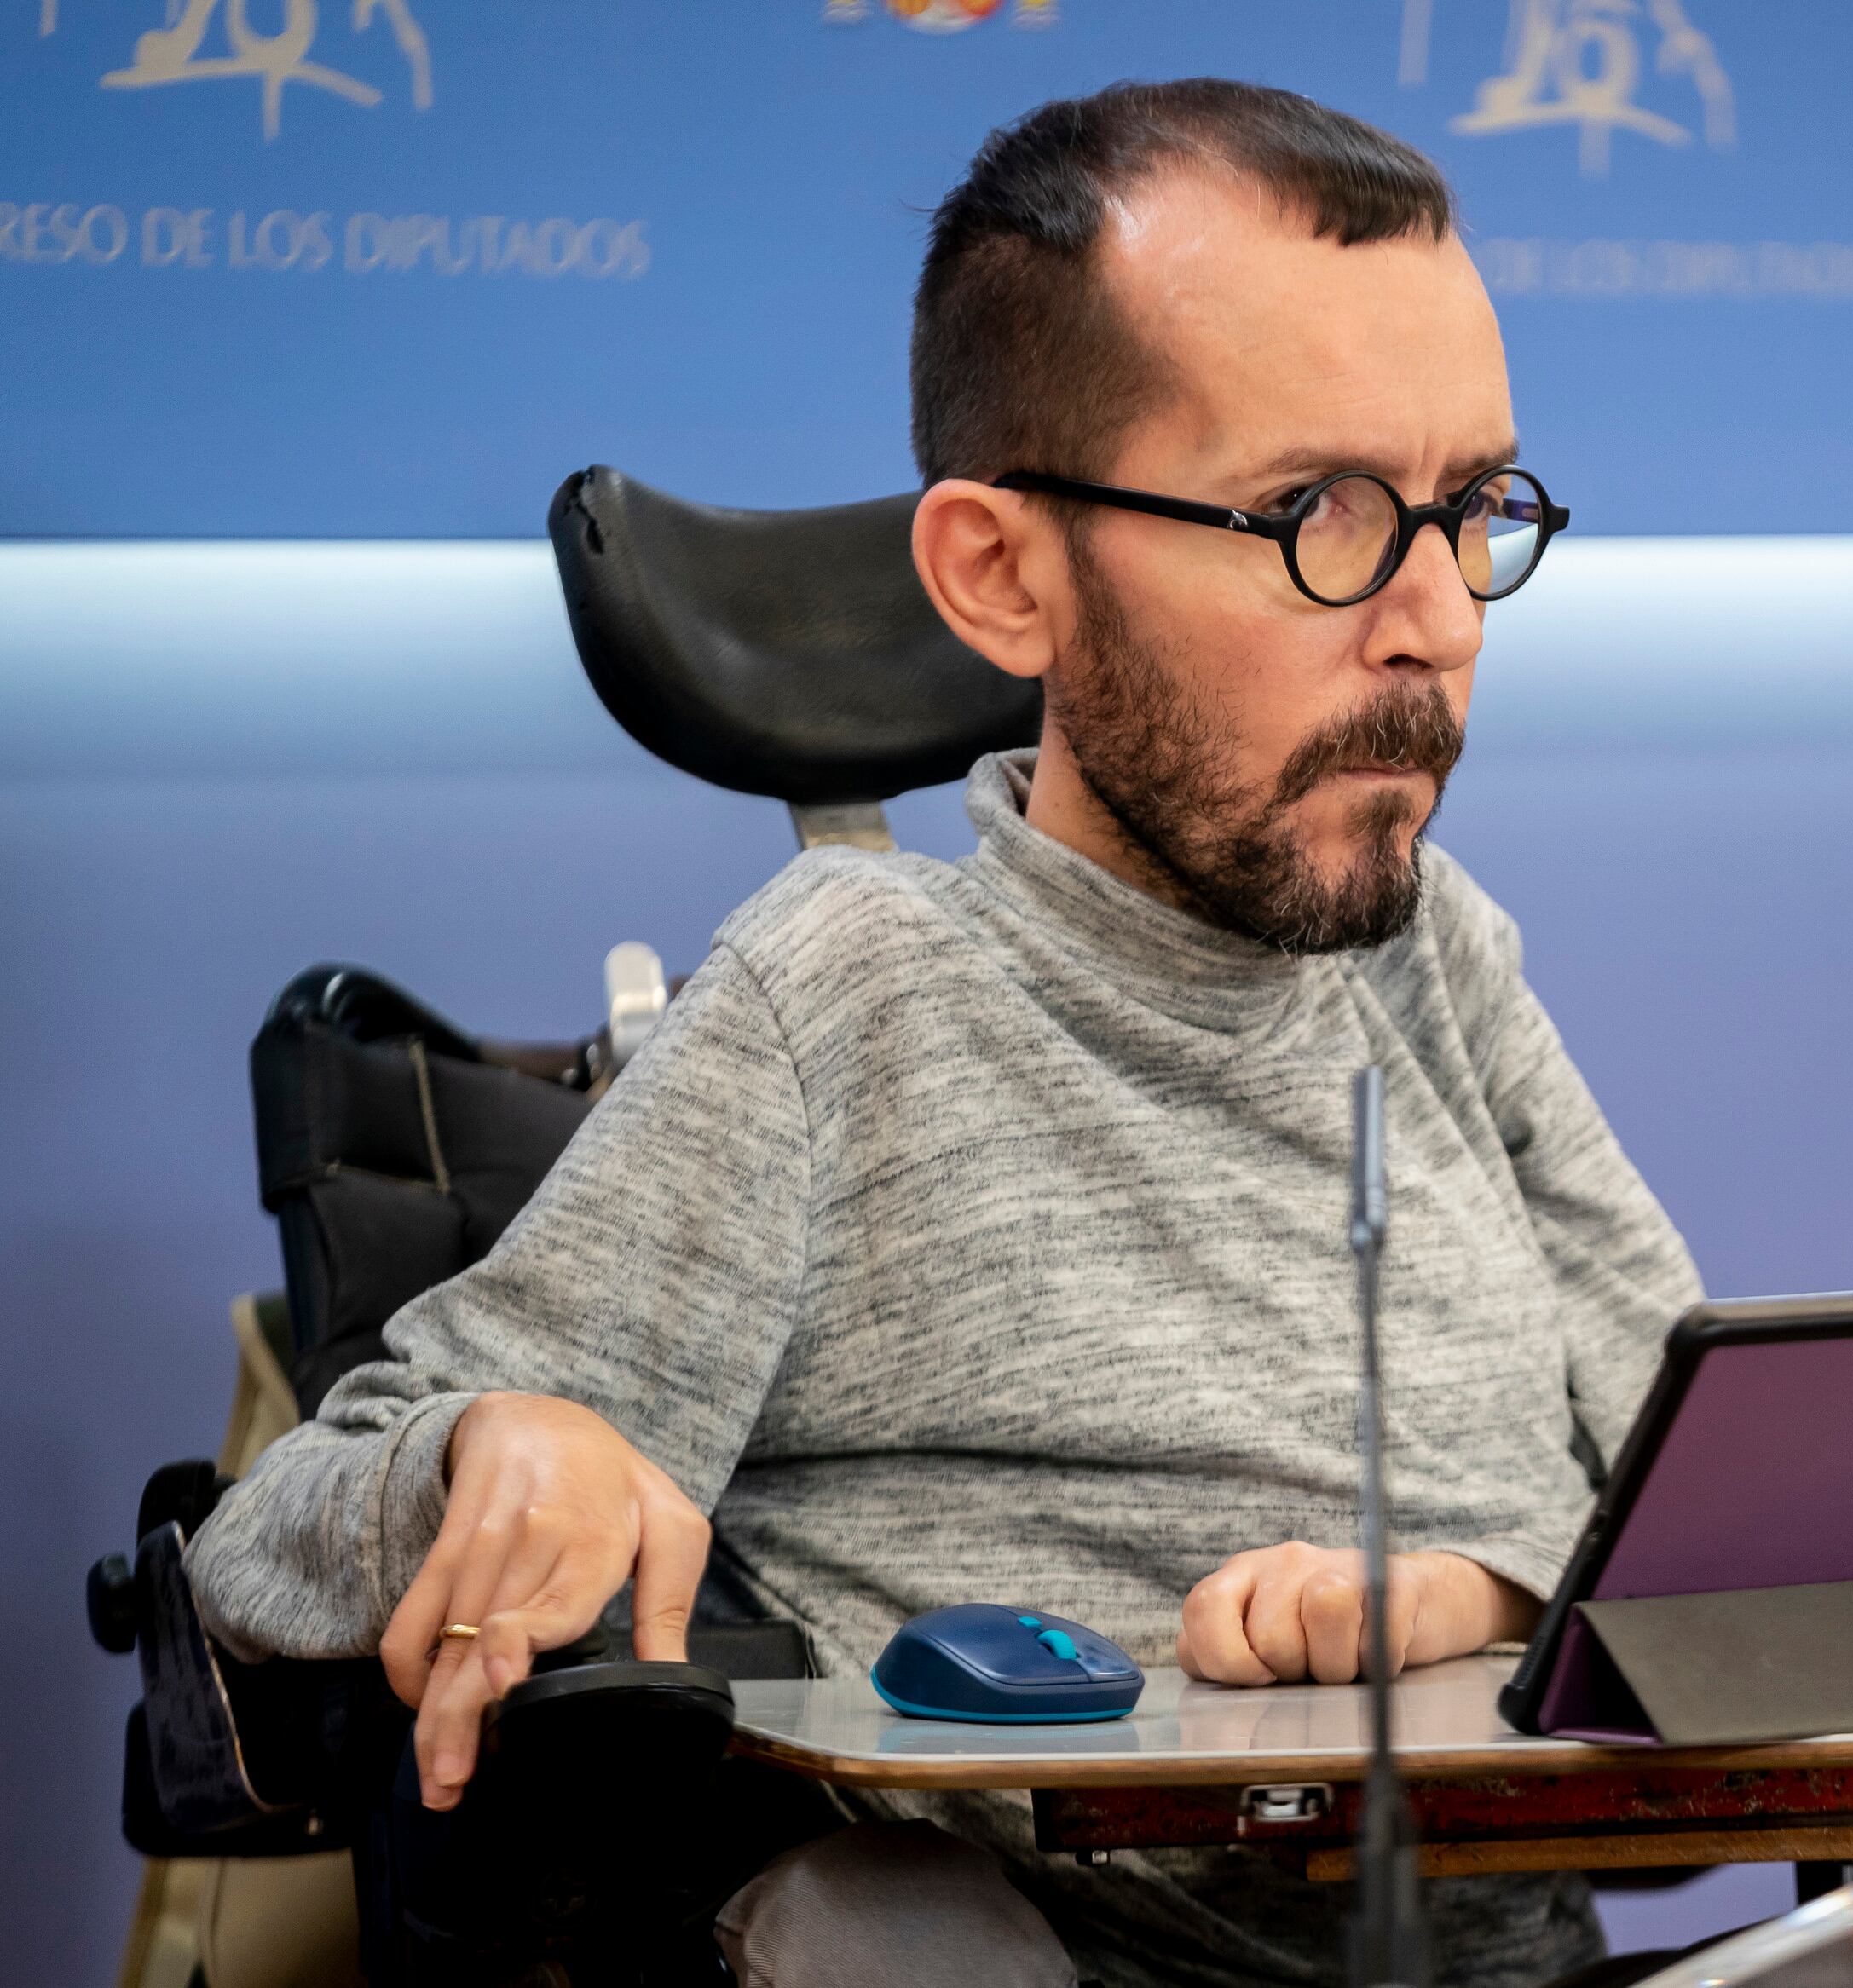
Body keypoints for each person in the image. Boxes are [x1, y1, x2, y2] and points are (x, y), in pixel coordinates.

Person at [188, 77, 1703, 1988]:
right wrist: (492, 1446)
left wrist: (1471, 1592)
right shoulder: (854, 997)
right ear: (1002, 573)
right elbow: (266, 1544)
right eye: (1316, 513)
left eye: (1470, 509)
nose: (1439, 622)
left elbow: (1725, 1523)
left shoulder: (1437, 961)